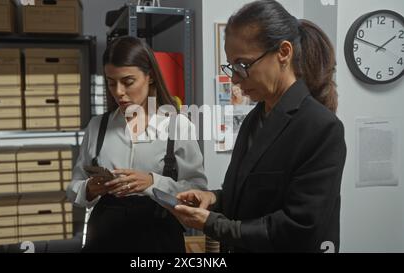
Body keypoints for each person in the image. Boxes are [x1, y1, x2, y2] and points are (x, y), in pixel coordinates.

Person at [171, 0, 346, 252]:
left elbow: (299, 225)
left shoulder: (321, 127)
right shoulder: (256, 118)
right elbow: (248, 195)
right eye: (232, 66)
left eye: (243, 65)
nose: (234, 78)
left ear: (283, 53)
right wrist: (213, 199)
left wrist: (213, 224)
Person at [66, 36, 207, 252]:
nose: (118, 92)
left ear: (149, 76)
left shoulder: (179, 126)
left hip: (158, 238)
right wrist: (89, 189)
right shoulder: (97, 127)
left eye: (128, 81)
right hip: (104, 236)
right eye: (111, 82)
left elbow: (197, 191)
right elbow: (73, 187)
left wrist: (152, 182)